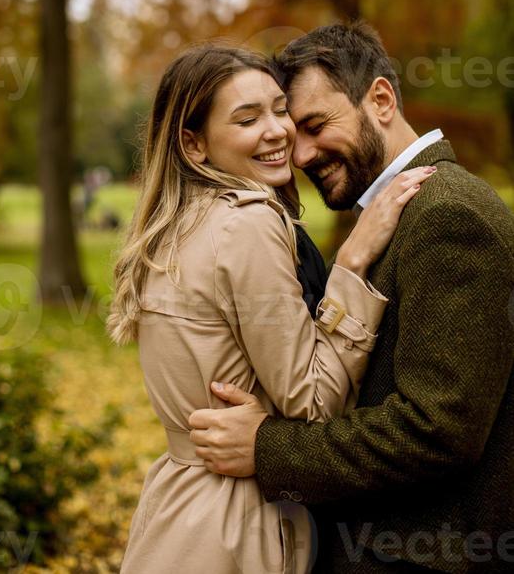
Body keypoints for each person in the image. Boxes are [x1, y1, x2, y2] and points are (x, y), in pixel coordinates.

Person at [188, 23, 514, 574]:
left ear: (381, 99)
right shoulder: (401, 212)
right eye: (297, 137)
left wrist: (267, 448)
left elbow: (438, 432)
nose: (304, 154)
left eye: (316, 126)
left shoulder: (448, 215)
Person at [108, 43, 435, 574]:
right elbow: (311, 403)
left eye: (280, 109)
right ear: (194, 145)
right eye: (246, 118)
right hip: (239, 524)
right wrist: (349, 267)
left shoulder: (173, 227)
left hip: (176, 510)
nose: (279, 131)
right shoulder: (248, 223)